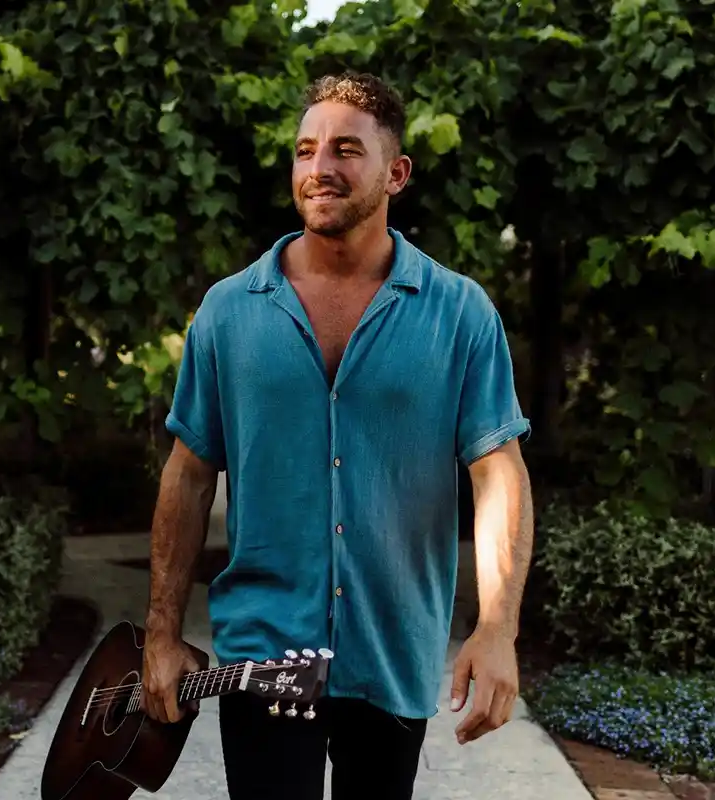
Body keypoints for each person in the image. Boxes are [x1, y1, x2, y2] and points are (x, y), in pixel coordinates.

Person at [140, 71, 535, 800]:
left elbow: (497, 473)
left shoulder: (460, 313)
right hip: (262, 655)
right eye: (305, 150)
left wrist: (497, 628)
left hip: (393, 649)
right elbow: (189, 474)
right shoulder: (228, 312)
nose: (319, 167)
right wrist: (160, 632)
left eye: (346, 150)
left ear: (396, 174)